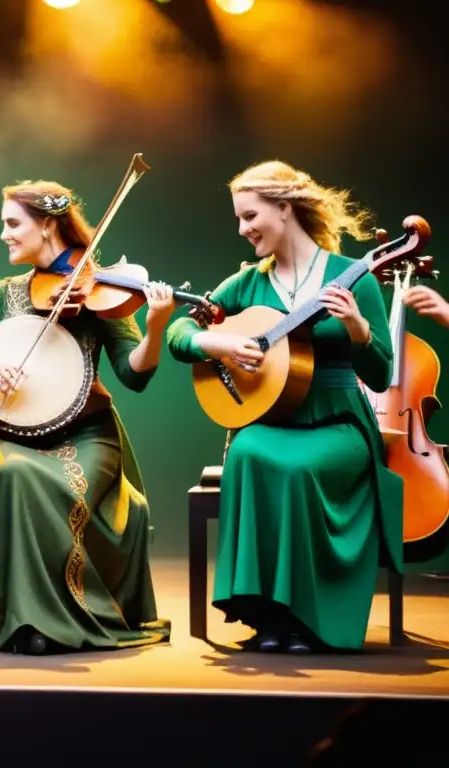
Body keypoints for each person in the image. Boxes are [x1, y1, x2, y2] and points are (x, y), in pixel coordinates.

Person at [0, 180, 173, 655]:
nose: (4, 234)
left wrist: (157, 325)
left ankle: (55, 620)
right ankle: (25, 621)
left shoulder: (98, 288)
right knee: (15, 472)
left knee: (41, 480)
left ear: (47, 225)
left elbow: (133, 374)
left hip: (87, 438)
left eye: (13, 223)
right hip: (11, 437)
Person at [166, 160, 401, 654]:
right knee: (248, 451)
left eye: (250, 216)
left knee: (297, 468)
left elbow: (381, 373)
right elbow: (180, 332)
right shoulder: (248, 283)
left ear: (284, 208)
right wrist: (220, 345)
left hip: (337, 425)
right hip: (273, 420)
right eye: (238, 219)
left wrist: (359, 331)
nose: (242, 229)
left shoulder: (352, 277)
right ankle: (265, 615)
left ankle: (308, 619)